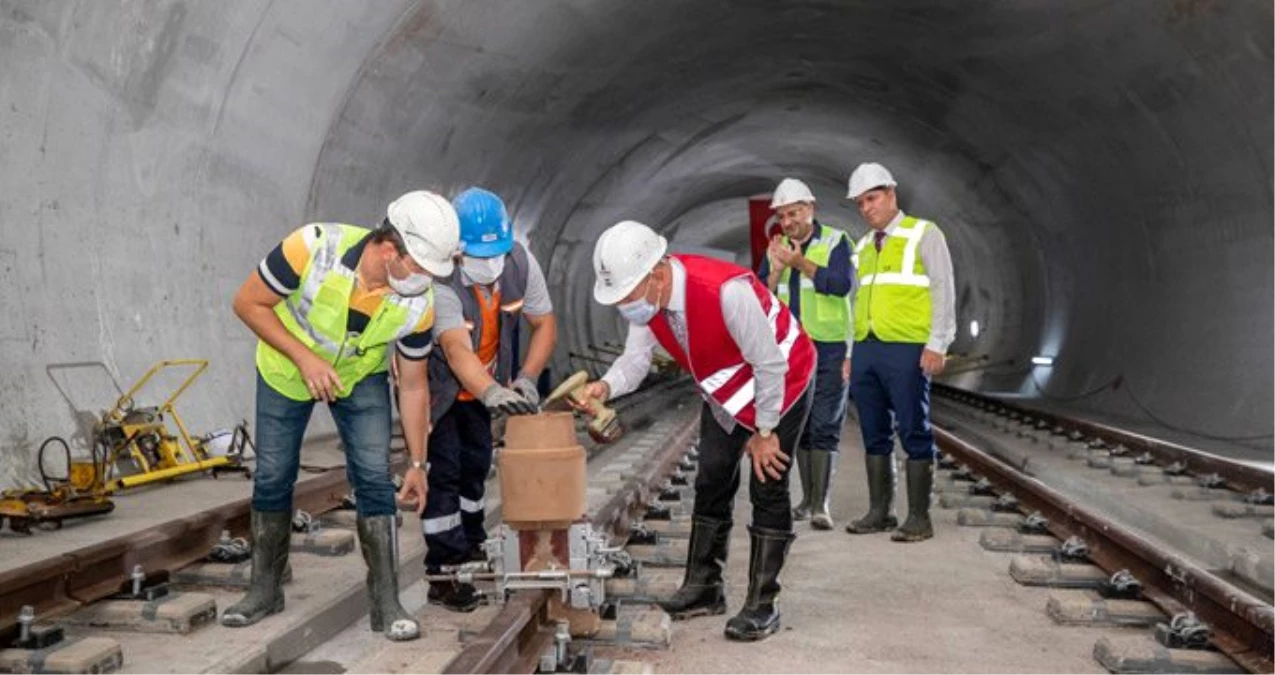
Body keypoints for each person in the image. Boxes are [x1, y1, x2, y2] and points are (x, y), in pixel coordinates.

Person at [224, 190, 461, 641]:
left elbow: (413, 385)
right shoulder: (311, 247)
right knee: (273, 475)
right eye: (422, 267)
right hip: (285, 371)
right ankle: (264, 590)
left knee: (373, 476)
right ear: (390, 248)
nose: (426, 280)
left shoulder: (419, 302)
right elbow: (247, 303)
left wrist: (417, 463)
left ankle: (386, 604)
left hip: (358, 378)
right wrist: (304, 358)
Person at [580, 220, 815, 642]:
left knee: (769, 480)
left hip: (784, 379)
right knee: (711, 478)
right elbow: (636, 363)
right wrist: (605, 386)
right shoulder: (647, 307)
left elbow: (769, 364)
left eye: (626, 295)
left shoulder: (725, 291)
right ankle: (704, 587)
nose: (623, 306)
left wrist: (765, 432)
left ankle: (764, 603)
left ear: (656, 274)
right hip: (727, 389)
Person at [421, 187, 557, 611]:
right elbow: (457, 350)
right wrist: (491, 391)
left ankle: (472, 542)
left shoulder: (519, 261)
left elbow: (544, 322)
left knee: (476, 466)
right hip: (440, 386)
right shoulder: (440, 279)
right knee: (445, 471)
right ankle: (443, 571)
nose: (492, 264)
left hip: (485, 386)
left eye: (497, 252)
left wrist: (528, 377)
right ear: (457, 252)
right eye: (482, 256)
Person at [842, 163, 956, 543]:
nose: (866, 208)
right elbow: (854, 303)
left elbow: (942, 288)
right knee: (874, 432)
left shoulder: (924, 233)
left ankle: (919, 518)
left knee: (913, 429)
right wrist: (849, 353)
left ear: (891, 193)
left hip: (907, 348)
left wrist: (937, 343)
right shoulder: (862, 246)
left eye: (871, 199)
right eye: (859, 203)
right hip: (867, 349)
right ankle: (880, 512)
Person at [757, 178, 855, 531]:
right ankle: (806, 501)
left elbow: (840, 284)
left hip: (828, 347)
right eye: (783, 216)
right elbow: (760, 297)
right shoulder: (776, 248)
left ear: (811, 209)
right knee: (799, 426)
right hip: (789, 350)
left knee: (825, 422)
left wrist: (800, 264)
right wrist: (777, 270)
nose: (788, 221)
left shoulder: (835, 242)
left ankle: (821, 504)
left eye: (794, 213)